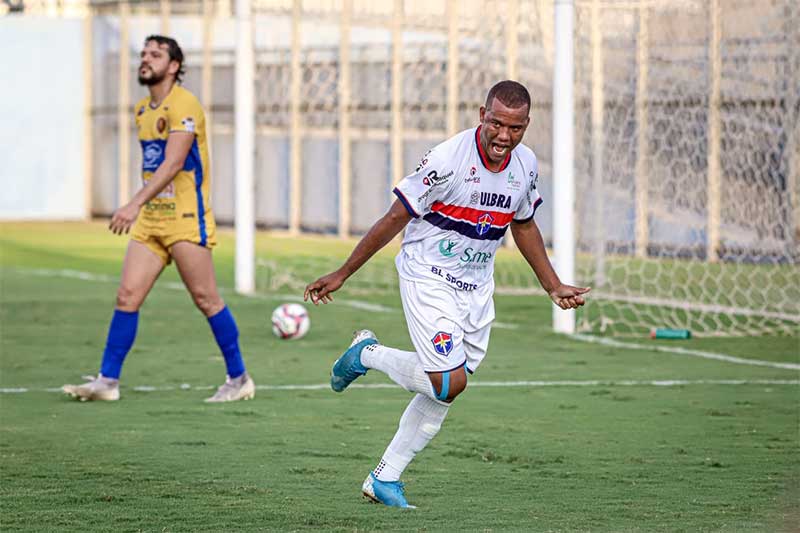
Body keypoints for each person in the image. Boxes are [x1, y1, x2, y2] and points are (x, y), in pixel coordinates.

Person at [304, 80, 589, 508]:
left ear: (527, 126)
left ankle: (385, 478)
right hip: (429, 275)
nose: (503, 137)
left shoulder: (525, 166)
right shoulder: (446, 160)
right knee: (447, 381)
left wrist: (552, 284)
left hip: (476, 287)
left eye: (515, 128)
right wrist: (344, 271)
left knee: (448, 388)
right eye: (496, 124)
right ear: (481, 115)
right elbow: (395, 216)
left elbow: (523, 224)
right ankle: (367, 354)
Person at [63, 35, 255, 403]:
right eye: (143, 54)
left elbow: (173, 164)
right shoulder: (142, 110)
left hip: (185, 219)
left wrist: (132, 204)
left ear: (174, 66)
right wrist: (143, 208)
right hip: (152, 222)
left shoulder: (185, 105)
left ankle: (239, 377)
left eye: (155, 54)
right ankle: (107, 381)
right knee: (127, 296)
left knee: (207, 299)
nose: (145, 59)